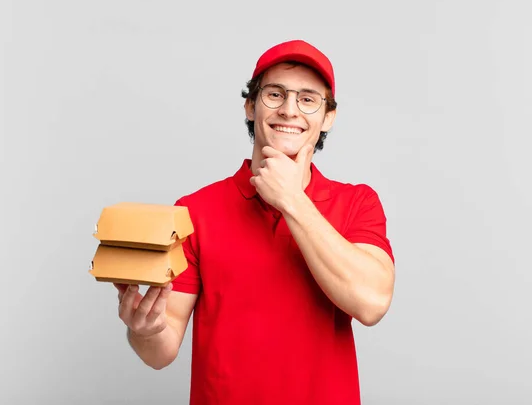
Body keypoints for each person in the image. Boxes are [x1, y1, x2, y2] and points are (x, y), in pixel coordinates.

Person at [114, 39, 396, 405]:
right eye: (275, 94)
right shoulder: (194, 211)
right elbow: (159, 351)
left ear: (327, 117)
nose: (290, 110)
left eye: (308, 99)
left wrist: (292, 200)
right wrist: (144, 330)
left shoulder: (358, 202)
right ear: (250, 106)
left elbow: (371, 303)